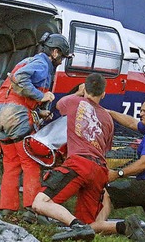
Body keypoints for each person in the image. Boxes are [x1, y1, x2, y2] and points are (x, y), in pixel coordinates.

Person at [0, 32, 72, 219]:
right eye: (62, 58)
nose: (60, 63)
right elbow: (20, 79)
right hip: (15, 116)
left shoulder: (27, 60)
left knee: (11, 164)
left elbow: (15, 91)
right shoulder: (42, 64)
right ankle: (33, 210)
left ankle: (7, 210)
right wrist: (42, 96)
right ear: (55, 52)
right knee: (31, 162)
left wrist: (40, 110)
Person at [31, 73, 114, 241]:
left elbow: (59, 106)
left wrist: (78, 93)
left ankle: (75, 225)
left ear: (85, 89)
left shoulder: (74, 101)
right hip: (100, 170)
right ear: (103, 94)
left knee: (40, 203)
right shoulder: (108, 119)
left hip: (79, 163)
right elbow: (106, 148)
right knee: (88, 224)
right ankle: (81, 227)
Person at [91, 95, 145, 242]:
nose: (141, 113)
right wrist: (109, 112)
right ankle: (99, 227)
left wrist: (117, 173)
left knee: (106, 193)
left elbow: (144, 163)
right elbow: (131, 123)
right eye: (141, 110)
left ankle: (97, 228)